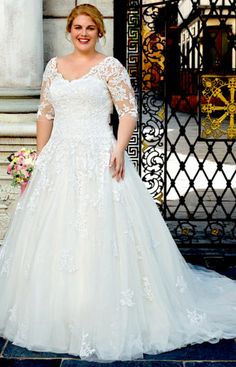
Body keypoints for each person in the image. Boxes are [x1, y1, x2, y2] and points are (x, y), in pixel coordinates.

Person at [0, 3, 236, 362]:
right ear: (69, 30)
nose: (83, 33)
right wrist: (39, 159)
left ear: (99, 32)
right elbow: (45, 115)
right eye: (78, 27)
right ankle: (60, 310)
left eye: (90, 28)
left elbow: (128, 111)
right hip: (60, 158)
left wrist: (119, 149)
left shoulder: (110, 66)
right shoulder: (53, 67)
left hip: (100, 156)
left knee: (101, 232)